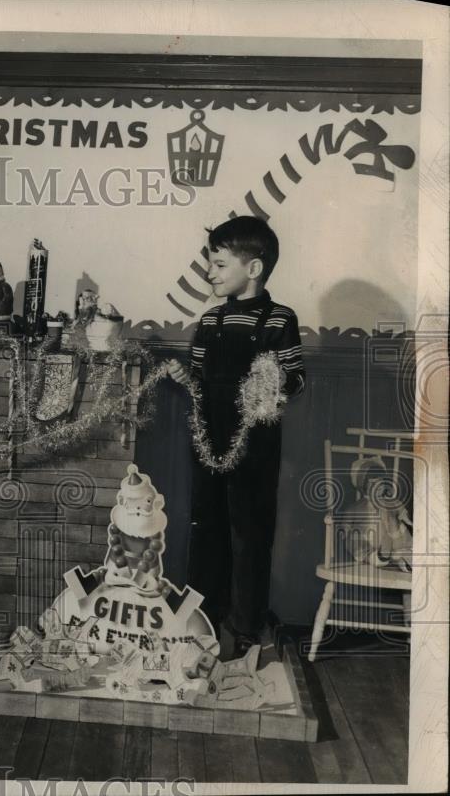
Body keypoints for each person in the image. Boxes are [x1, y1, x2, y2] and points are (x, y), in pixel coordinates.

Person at [167, 216, 305, 659]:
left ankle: (245, 627)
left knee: (249, 532)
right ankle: (203, 621)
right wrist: (181, 377)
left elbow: (297, 377)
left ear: (254, 269)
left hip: (256, 444)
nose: (210, 273)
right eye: (211, 263)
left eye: (220, 265)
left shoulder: (279, 319)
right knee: (205, 527)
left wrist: (274, 384)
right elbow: (199, 376)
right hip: (209, 438)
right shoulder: (210, 320)